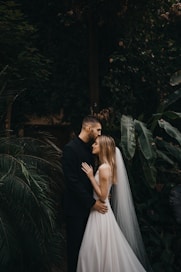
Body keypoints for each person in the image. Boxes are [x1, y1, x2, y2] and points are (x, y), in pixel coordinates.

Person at [76, 135, 152, 272]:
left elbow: (103, 195)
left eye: (96, 144)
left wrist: (91, 176)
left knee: (91, 252)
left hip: (101, 213)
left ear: (103, 148)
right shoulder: (104, 167)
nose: (93, 145)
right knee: (97, 251)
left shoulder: (104, 168)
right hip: (99, 211)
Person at [62, 116, 108, 272]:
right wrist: (92, 202)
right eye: (98, 130)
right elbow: (72, 181)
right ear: (89, 128)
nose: (100, 134)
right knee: (75, 248)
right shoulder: (70, 149)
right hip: (75, 209)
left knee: (88, 249)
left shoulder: (90, 149)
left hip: (90, 209)